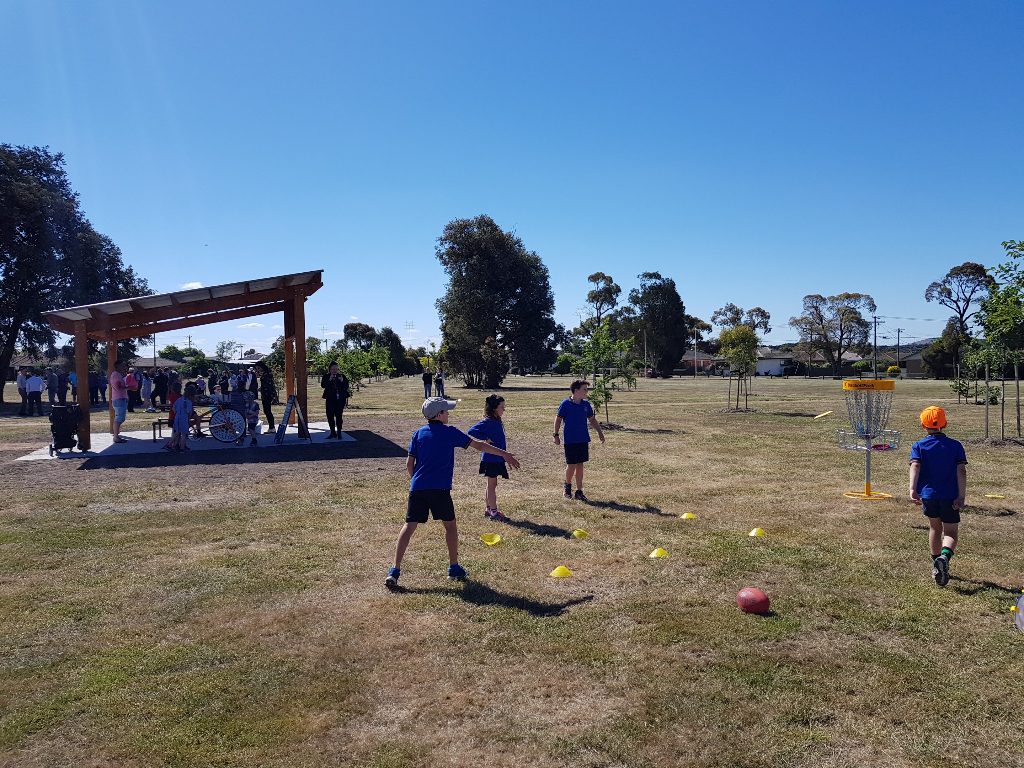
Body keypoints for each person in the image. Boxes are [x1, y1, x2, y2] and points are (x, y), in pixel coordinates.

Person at [385, 397, 520, 590]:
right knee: (450, 527)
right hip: (440, 490)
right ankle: (454, 567)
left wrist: (417, 481)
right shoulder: (450, 432)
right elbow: (479, 445)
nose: (449, 414)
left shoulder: (417, 434)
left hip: (418, 488)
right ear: (440, 415)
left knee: (409, 526)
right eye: (447, 411)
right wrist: (505, 454)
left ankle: (394, 571)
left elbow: (409, 464)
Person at [909, 406, 968, 588]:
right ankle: (944, 557)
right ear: (945, 424)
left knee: (935, 528)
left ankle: (936, 563)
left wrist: (912, 488)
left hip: (928, 495)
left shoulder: (918, 446)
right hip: (950, 496)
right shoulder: (956, 446)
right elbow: (961, 471)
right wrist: (961, 495)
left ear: (922, 425)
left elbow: (915, 466)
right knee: (950, 532)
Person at [553, 379, 605, 501]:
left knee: (580, 465)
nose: (586, 392)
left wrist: (600, 433)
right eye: (584, 390)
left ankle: (579, 491)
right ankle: (567, 487)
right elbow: (558, 419)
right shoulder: (565, 404)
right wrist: (555, 435)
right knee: (571, 465)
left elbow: (592, 420)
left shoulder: (586, 405)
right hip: (570, 440)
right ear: (576, 391)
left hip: (583, 439)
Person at [468, 395, 511, 521]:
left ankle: (488, 508)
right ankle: (493, 511)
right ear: (493, 409)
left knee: (491, 484)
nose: (504, 409)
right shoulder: (487, 422)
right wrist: (485, 438)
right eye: (502, 407)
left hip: (496, 458)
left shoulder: (496, 420)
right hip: (491, 459)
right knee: (492, 485)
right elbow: (471, 431)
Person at [321, 362, 350, 439]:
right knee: (330, 415)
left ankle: (339, 432)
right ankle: (332, 432)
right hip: (330, 399)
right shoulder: (326, 376)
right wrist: (329, 380)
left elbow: (346, 387)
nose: (335, 370)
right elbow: (323, 385)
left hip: (340, 399)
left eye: (336, 369)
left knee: (338, 415)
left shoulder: (342, 376)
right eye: (333, 369)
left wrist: (342, 381)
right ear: (330, 369)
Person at [168, 382, 195, 452]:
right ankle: (182, 447)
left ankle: (169, 444)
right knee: (184, 434)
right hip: (184, 418)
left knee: (177, 432)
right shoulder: (189, 402)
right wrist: (188, 418)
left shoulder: (179, 399)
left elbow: (174, 409)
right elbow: (189, 412)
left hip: (177, 418)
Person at [109, 361, 129, 443]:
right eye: (123, 366)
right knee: (119, 418)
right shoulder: (116, 375)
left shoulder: (117, 375)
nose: (125, 367)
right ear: (117, 367)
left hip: (119, 398)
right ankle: (116, 437)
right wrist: (130, 386)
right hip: (119, 399)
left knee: (119, 418)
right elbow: (119, 387)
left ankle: (116, 435)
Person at [257, 363, 277, 431]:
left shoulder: (266, 374)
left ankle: (272, 427)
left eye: (258, 368)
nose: (258, 370)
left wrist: (262, 389)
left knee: (268, 411)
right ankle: (271, 427)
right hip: (265, 394)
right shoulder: (265, 374)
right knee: (267, 411)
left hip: (267, 395)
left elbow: (268, 386)